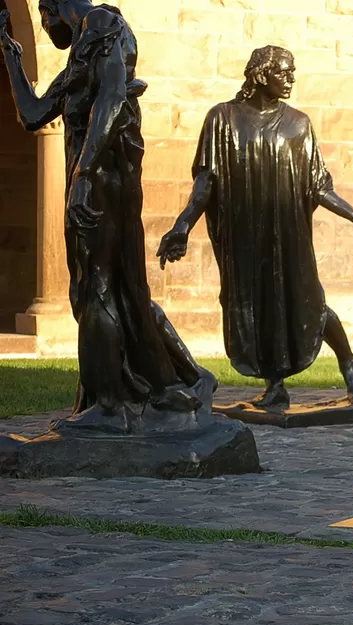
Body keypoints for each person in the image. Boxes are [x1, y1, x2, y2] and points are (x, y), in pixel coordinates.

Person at [0, 1, 219, 433]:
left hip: (101, 182)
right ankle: (173, 381)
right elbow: (34, 114)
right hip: (101, 180)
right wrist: (10, 51)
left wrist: (83, 173)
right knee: (119, 289)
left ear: (51, 7)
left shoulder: (102, 24)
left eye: (44, 20)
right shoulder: (86, 46)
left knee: (94, 287)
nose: (46, 30)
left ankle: (109, 405)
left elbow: (114, 97)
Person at [157, 45, 353, 409]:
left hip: (288, 235)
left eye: (292, 72)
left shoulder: (298, 125)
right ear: (261, 75)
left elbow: (319, 186)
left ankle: (351, 366)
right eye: (284, 73)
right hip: (244, 236)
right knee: (255, 306)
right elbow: (206, 183)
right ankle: (275, 384)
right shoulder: (222, 119)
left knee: (309, 303)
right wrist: (182, 226)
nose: (291, 79)